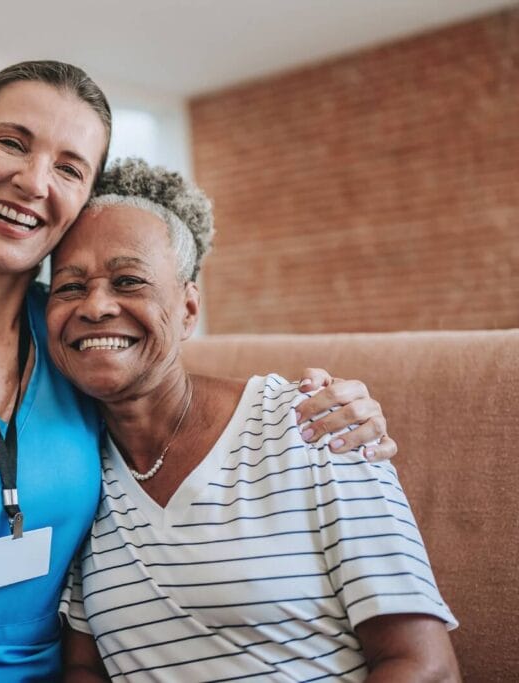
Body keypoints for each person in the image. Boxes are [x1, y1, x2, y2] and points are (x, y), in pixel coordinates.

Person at [0, 61, 396, 682]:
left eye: (69, 167)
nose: (34, 181)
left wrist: (329, 406)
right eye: (12, 142)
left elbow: (180, 396)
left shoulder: (77, 340)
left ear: (81, 200)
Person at [52, 159, 459, 682]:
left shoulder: (315, 423)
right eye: (69, 287)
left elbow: (425, 666)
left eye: (128, 281)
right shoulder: (72, 469)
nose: (96, 305)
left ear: (188, 309)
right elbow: (84, 668)